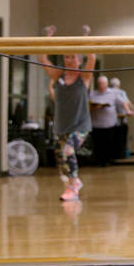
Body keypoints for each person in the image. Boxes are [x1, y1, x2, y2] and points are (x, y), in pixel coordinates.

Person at [38, 25, 95, 202]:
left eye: (73, 57)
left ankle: (74, 185)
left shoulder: (84, 77)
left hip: (80, 125)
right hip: (61, 126)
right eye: (66, 57)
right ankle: (73, 183)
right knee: (63, 161)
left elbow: (91, 56)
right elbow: (42, 59)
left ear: (79, 60)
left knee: (69, 151)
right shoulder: (58, 76)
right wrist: (49, 37)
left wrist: (85, 35)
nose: (69, 60)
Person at [88, 75, 119, 167]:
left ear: (107, 84)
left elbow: (123, 102)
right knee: (98, 144)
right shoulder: (92, 94)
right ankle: (98, 161)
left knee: (108, 143)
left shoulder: (113, 93)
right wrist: (96, 107)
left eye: (103, 83)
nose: (102, 85)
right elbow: (87, 107)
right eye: (100, 83)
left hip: (109, 123)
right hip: (96, 124)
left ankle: (108, 160)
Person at [109, 77, 134, 159]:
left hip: (115, 121)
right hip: (117, 121)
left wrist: (133, 110)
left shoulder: (113, 92)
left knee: (115, 140)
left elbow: (127, 102)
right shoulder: (117, 92)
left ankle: (118, 155)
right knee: (119, 139)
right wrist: (131, 111)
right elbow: (125, 102)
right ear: (118, 85)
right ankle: (120, 155)